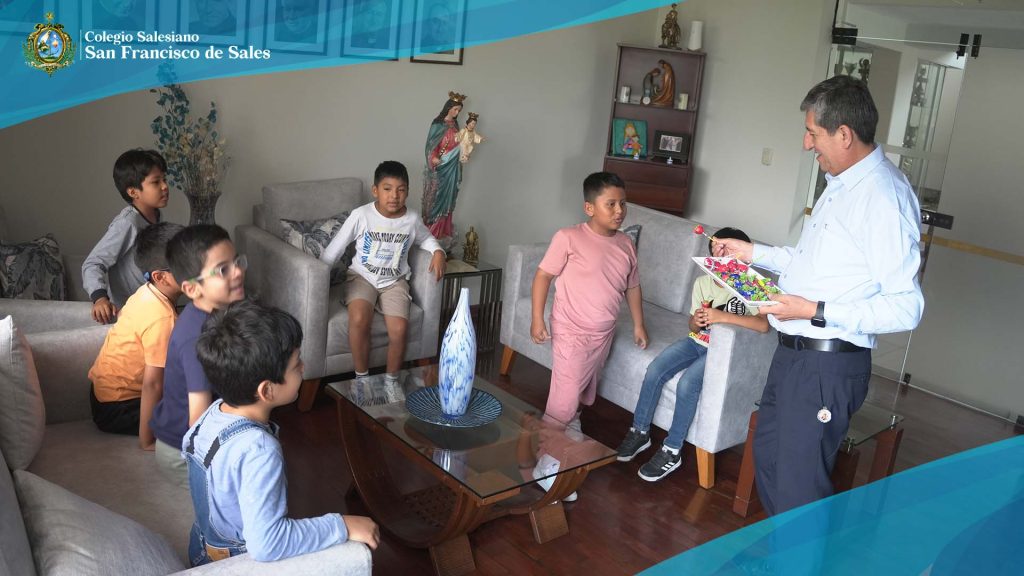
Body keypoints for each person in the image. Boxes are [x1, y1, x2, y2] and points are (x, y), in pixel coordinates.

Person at [716, 75, 923, 515]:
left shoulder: (883, 197)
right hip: (793, 355)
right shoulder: (840, 183)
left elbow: (907, 307)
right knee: (771, 464)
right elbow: (812, 263)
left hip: (825, 366)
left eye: (813, 133)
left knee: (798, 491)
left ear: (843, 135)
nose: (807, 143)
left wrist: (814, 310)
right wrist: (753, 253)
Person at [186, 299, 380, 565]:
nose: (303, 368)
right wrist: (342, 525)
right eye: (296, 365)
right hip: (235, 562)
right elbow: (267, 544)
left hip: (201, 548)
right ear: (267, 390)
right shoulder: (259, 449)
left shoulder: (211, 414)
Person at [616, 227, 769, 482]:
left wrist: (722, 317)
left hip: (721, 353)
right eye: (717, 250)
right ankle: (639, 432)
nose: (722, 255)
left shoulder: (748, 283)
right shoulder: (702, 283)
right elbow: (692, 326)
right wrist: (696, 322)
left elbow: (763, 326)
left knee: (687, 383)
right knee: (655, 370)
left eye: (729, 250)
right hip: (696, 341)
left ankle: (672, 449)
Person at [532, 172, 648, 430]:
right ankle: (547, 446)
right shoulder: (568, 237)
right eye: (611, 204)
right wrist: (537, 319)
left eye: (623, 203)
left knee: (584, 386)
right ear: (589, 208)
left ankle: (571, 422)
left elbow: (632, 286)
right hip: (570, 330)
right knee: (564, 396)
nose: (619, 211)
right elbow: (543, 276)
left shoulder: (626, 244)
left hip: (603, 333)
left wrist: (639, 325)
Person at [321, 161, 445, 396]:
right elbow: (335, 248)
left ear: (407, 191)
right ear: (375, 190)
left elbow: (426, 238)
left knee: (399, 329)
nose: (394, 196)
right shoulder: (362, 215)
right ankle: (362, 379)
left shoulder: (411, 219)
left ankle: (391, 380)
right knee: (359, 318)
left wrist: (438, 251)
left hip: (394, 282)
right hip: (362, 278)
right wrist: (320, 277)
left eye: (401, 190)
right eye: (387, 189)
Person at [150, 224, 247, 486]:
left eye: (237, 262)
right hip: (183, 451)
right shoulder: (197, 338)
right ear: (192, 289)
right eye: (223, 270)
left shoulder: (217, 313)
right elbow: (198, 420)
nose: (238, 272)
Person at [88, 222, 184, 449]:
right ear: (161, 277)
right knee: (200, 411)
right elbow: (153, 384)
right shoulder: (162, 318)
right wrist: (147, 439)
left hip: (103, 395)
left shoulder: (145, 292)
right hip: (120, 407)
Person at [83, 148, 168, 324]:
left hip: (155, 309)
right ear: (133, 192)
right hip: (131, 316)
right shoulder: (127, 223)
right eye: (156, 182)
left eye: (164, 179)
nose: (165, 186)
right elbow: (92, 264)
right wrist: (100, 298)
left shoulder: (156, 216)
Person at [421, 91, 465, 241]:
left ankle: (444, 230)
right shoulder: (437, 124)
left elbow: (458, 142)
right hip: (442, 165)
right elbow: (430, 145)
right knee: (438, 195)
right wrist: (433, 157)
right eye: (455, 109)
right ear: (448, 108)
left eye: (459, 110)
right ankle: (433, 230)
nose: (457, 113)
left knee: (449, 195)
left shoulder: (455, 124)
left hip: (453, 165)